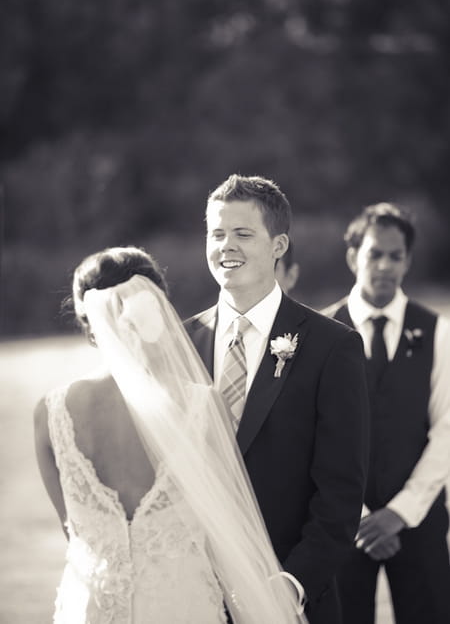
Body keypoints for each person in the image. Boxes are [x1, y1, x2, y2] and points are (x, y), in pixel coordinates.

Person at [34, 246, 304, 624]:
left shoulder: (51, 412)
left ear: (88, 320)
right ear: (158, 308)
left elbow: (73, 530)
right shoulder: (200, 407)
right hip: (182, 606)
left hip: (91, 608)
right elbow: (228, 534)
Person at [184, 174, 370, 624]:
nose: (226, 245)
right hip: (192, 592)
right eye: (217, 233)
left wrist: (294, 583)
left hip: (291, 595)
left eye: (243, 233)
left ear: (279, 244)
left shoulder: (333, 346)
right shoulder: (181, 341)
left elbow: (341, 492)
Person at [322, 202, 450, 624]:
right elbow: (312, 437)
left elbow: (447, 429)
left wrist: (400, 512)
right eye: (374, 253)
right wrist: (358, 517)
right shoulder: (321, 333)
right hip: (340, 525)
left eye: (396, 257)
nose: (384, 266)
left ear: (408, 261)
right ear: (352, 255)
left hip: (419, 520)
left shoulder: (438, 331)